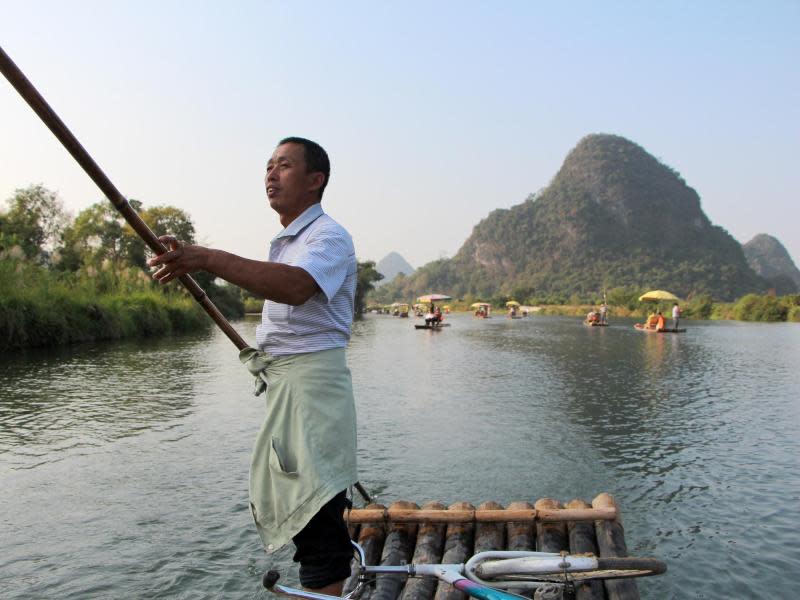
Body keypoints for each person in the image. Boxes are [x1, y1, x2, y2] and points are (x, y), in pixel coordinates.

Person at [148, 137, 358, 595]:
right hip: (291, 390)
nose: (270, 175)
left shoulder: (328, 237)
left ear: (315, 180)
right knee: (308, 510)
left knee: (317, 520)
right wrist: (193, 259)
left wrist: (205, 258)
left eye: (284, 166)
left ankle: (328, 587)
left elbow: (296, 286)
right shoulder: (286, 241)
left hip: (311, 395)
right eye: (268, 166)